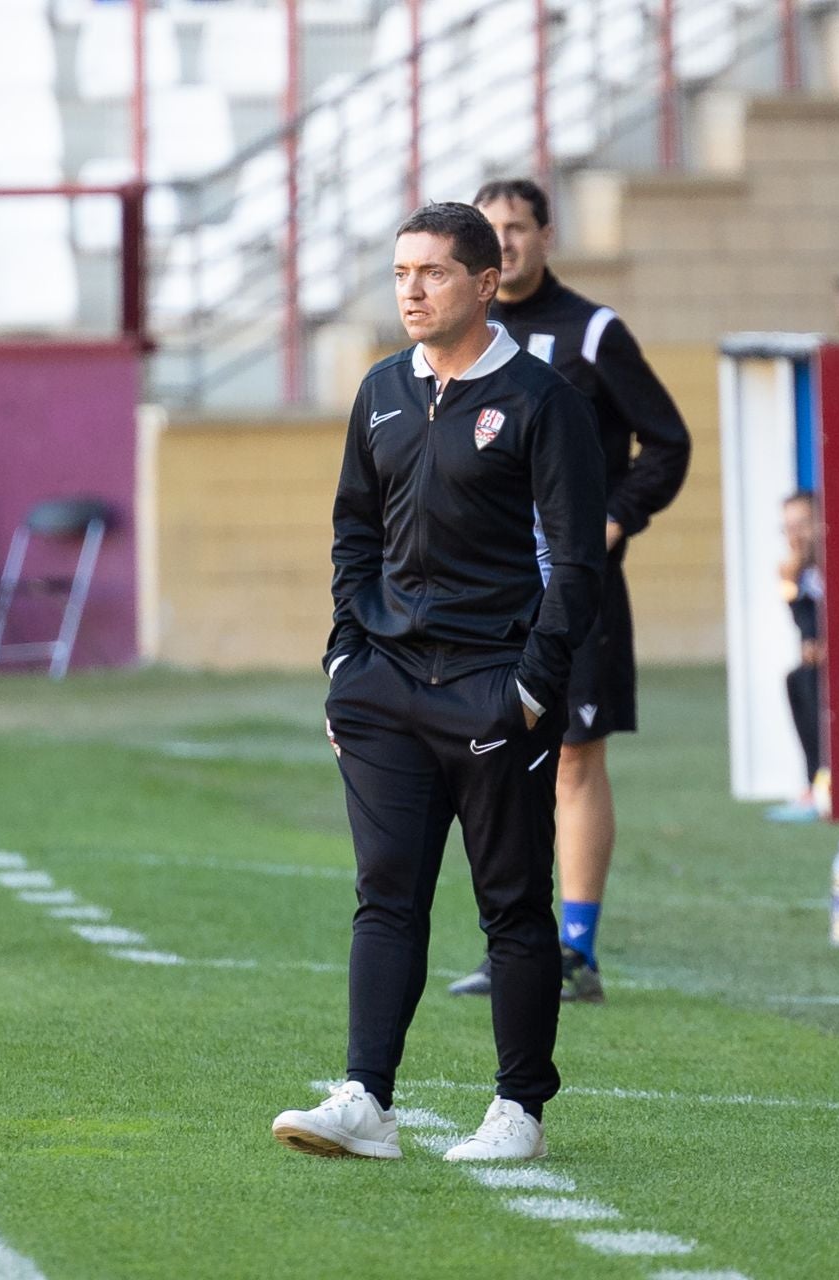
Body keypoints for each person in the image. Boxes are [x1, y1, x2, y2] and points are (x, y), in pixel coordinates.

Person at [271, 202, 605, 1162]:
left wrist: (532, 692)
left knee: (511, 903)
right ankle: (365, 1100)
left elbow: (575, 564)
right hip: (381, 692)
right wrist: (345, 662)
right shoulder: (379, 390)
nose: (412, 291)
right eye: (400, 274)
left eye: (434, 273)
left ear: (486, 282)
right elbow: (353, 533)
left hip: (494, 691)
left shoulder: (543, 402)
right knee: (385, 895)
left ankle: (519, 1112)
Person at [443, 178, 692, 1004]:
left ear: (548, 234)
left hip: (576, 592)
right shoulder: (463, 338)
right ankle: (512, 942)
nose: (504, 241)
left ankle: (576, 952)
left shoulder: (592, 332)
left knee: (575, 759)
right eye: (491, 228)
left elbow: (667, 443)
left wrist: (615, 520)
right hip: (484, 595)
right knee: (495, 757)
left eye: (518, 226)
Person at [770, 491, 825, 821]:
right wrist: (790, 582)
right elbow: (803, 623)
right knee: (800, 679)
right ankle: (817, 783)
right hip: (822, 664)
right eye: (788, 527)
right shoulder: (799, 573)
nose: (796, 534)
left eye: (803, 524)